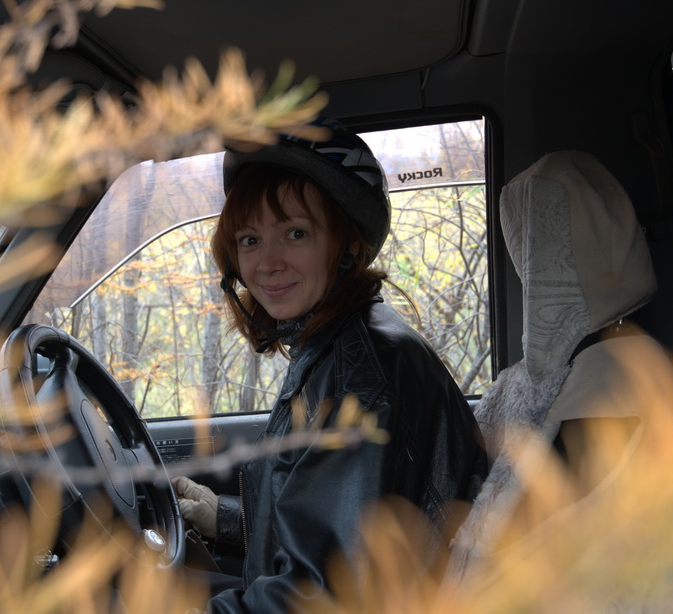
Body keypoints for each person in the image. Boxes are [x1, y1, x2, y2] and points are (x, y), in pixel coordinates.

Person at [173, 119, 489, 613]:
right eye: (250, 240)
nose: (267, 263)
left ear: (346, 243)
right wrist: (228, 520)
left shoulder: (358, 384)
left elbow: (316, 597)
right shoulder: (341, 344)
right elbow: (332, 532)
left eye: (295, 233)